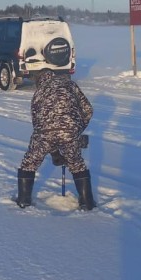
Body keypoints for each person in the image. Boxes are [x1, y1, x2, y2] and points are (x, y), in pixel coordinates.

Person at [16, 69, 95, 210]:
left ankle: (23, 201)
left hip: (43, 132)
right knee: (77, 164)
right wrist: (77, 129)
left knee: (29, 163)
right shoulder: (70, 85)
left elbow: (36, 121)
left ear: (39, 79)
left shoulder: (38, 92)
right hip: (69, 131)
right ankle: (87, 203)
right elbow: (88, 109)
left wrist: (52, 149)